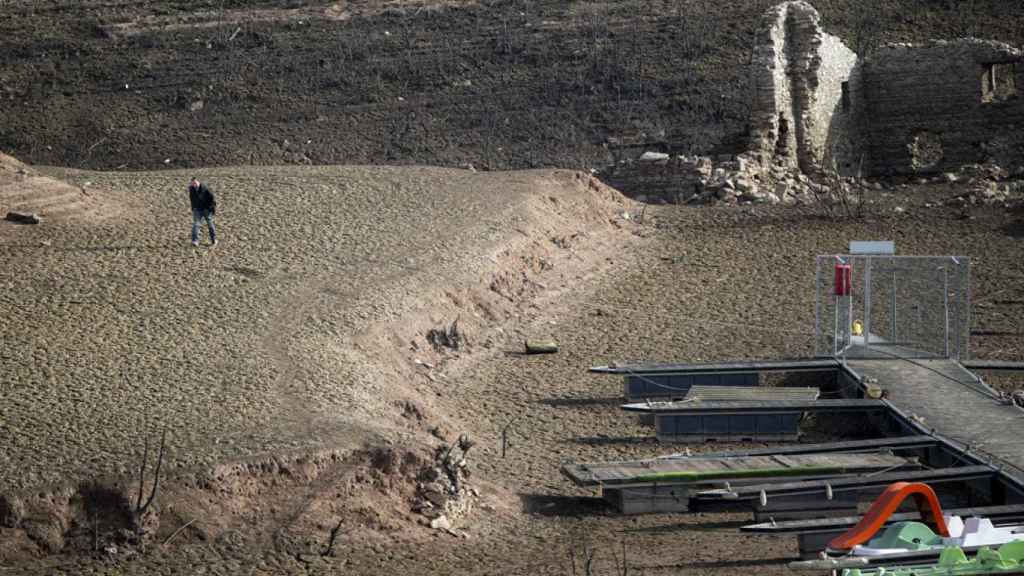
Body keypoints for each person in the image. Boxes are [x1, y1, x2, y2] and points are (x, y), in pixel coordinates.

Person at [188, 177, 217, 247]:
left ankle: (213, 240)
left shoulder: (205, 188)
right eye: (193, 184)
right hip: (197, 210)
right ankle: (195, 241)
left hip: (207, 209)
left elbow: (212, 198)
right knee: (196, 224)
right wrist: (193, 208)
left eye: (195, 183)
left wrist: (211, 208)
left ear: (198, 182)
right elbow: (192, 199)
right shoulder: (191, 189)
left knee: (210, 224)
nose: (194, 185)